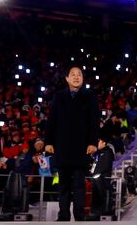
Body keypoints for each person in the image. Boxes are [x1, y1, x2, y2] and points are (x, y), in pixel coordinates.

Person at [45, 66, 99, 221]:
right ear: (67, 78)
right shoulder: (58, 96)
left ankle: (79, 215)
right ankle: (63, 215)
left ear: (83, 78)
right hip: (62, 146)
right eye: (73, 75)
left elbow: (94, 122)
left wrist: (93, 142)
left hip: (82, 147)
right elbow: (51, 120)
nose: (76, 77)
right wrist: (48, 141)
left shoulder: (89, 96)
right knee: (63, 185)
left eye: (79, 75)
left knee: (79, 184)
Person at [90, 134, 115, 216]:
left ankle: (103, 211)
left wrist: (96, 173)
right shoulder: (97, 153)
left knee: (102, 195)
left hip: (103, 179)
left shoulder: (108, 152)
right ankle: (94, 211)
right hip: (95, 179)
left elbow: (105, 166)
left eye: (99, 142)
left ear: (104, 143)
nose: (97, 143)